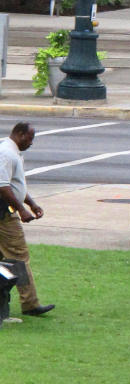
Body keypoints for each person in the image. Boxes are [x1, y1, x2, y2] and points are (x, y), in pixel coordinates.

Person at [0, 122, 54, 317]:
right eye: (30, 138)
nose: (31, 143)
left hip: (6, 211)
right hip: (5, 214)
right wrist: (21, 210)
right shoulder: (6, 153)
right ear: (20, 134)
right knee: (18, 258)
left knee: (4, 259)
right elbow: (3, 186)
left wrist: (31, 203)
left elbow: (16, 185)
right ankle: (29, 303)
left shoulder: (12, 152)